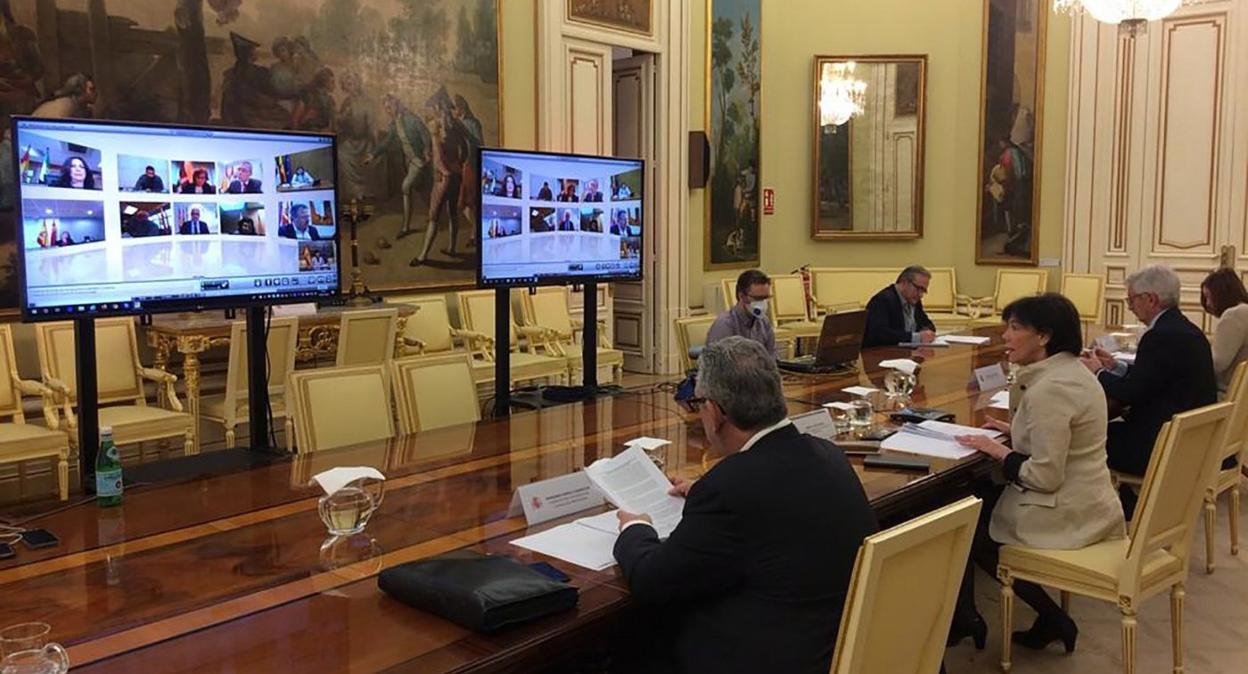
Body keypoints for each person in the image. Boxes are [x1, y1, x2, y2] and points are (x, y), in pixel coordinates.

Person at [613, 337, 877, 674]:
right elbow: (777, 506)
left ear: (716, 412)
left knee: (631, 637)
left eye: (699, 403)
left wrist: (636, 527)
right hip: (834, 647)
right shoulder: (827, 454)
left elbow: (653, 579)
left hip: (765, 657)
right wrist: (702, 492)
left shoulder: (730, 487)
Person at [952, 293, 1125, 654]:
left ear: (1043, 336)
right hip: (1091, 498)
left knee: (961, 523)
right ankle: (1035, 618)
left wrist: (998, 449)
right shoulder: (1074, 371)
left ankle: (977, 617)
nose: (1006, 337)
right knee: (972, 504)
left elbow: (1045, 477)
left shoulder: (1051, 388)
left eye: (1015, 328)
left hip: (1064, 509)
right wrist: (1019, 433)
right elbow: (1066, 438)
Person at [1078, 265, 1216, 515]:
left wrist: (1096, 372)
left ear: (1150, 299)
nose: (1129, 306)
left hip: (1157, 444)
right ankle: (1122, 501)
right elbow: (1152, 378)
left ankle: (1108, 509)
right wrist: (1114, 366)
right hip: (1186, 438)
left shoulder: (1160, 336)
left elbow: (1131, 393)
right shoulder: (1184, 328)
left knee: (1083, 437)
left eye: (1131, 299)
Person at [365, 94, 431, 240]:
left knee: (406, 187)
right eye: (386, 109)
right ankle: (430, 217)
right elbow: (387, 141)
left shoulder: (412, 120)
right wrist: (372, 155)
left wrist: (427, 151)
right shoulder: (395, 124)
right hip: (408, 161)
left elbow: (425, 135)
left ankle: (406, 227)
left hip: (419, 161)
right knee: (420, 190)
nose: (388, 111)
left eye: (389, 107)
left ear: (396, 104)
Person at [706, 269, 778, 357]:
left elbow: (772, 358)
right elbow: (717, 364)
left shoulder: (764, 322)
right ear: (741, 296)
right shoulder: (725, 324)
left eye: (765, 298)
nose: (762, 303)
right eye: (757, 298)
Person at [862, 265, 937, 348]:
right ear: (904, 282)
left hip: (907, 354)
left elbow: (928, 324)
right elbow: (879, 334)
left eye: (924, 290)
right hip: (883, 355)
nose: (920, 294)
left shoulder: (914, 300)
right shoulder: (882, 300)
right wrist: (916, 337)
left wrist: (926, 332)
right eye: (918, 288)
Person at [1200, 268, 1248, 397]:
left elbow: (1216, 364)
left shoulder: (1233, 315)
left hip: (1226, 396)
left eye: (1209, 297)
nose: (1208, 303)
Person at [31, 73, 96, 119]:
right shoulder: (63, 108)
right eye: (91, 89)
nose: (95, 93)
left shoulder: (79, 107)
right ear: (79, 90)